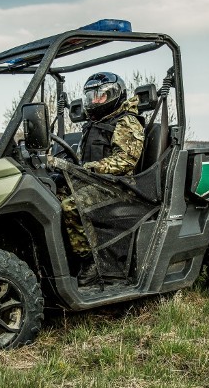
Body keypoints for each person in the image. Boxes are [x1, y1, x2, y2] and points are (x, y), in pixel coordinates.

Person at [60, 72, 145, 286]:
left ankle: (93, 262)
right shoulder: (93, 124)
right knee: (51, 195)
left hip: (119, 187)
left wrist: (92, 168)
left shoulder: (126, 122)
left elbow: (126, 161)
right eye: (91, 97)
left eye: (100, 96)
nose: (94, 101)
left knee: (71, 206)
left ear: (113, 95)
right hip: (94, 182)